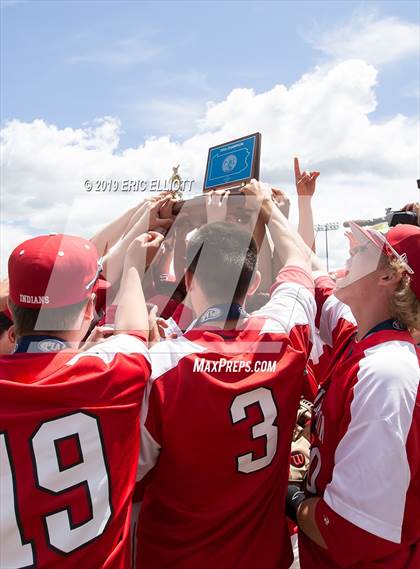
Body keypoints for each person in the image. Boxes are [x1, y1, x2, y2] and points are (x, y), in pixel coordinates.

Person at [135, 180, 316, 569]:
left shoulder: (161, 365)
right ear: (252, 284)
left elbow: (130, 476)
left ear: (187, 281)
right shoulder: (284, 332)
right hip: (264, 555)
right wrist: (269, 211)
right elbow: (299, 263)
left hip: (177, 557)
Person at [0, 231, 158, 568]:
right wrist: (132, 265)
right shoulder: (114, 373)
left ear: (12, 311)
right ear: (89, 309)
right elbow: (134, 332)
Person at [288, 222, 420, 568]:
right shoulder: (360, 334)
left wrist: (290, 494)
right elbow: (314, 272)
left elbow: (350, 531)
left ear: (389, 277)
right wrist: (276, 212)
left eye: (362, 250)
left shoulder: (387, 372)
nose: (350, 249)